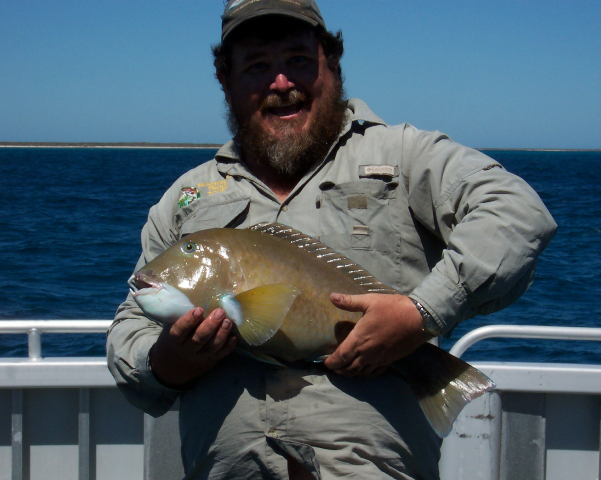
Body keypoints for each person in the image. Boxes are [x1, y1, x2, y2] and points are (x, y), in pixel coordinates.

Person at [107, 1, 557, 479]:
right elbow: (129, 331)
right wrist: (166, 362)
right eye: (258, 66)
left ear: (332, 62)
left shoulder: (403, 156)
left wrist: (419, 313)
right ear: (225, 77)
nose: (282, 84)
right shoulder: (185, 197)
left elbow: (517, 211)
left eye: (298, 60)